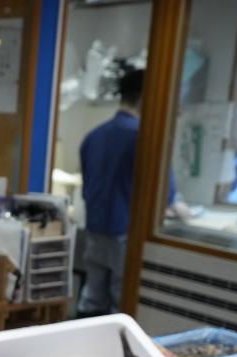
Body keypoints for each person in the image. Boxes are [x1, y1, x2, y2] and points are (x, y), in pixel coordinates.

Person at [77, 68, 189, 316]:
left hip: (95, 229)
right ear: (146, 98)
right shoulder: (145, 138)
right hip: (126, 235)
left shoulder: (93, 136)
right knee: (122, 305)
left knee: (92, 299)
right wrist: (188, 216)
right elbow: (167, 198)